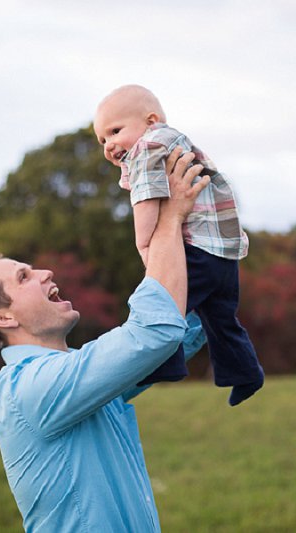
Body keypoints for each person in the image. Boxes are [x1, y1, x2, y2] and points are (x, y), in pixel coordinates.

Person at [0, 149, 209, 532]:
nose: (44, 272)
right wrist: (169, 217)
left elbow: (180, 332)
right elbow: (153, 333)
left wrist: (210, 239)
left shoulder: (74, 376)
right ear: (3, 318)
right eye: (23, 277)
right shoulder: (24, 390)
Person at [93, 84, 264, 406]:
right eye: (102, 140)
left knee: (161, 306)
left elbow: (146, 198)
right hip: (224, 255)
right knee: (221, 321)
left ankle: (163, 365)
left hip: (197, 249)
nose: (109, 144)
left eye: (115, 131)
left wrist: (144, 243)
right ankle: (246, 373)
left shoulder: (149, 145)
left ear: (150, 120)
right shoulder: (174, 142)